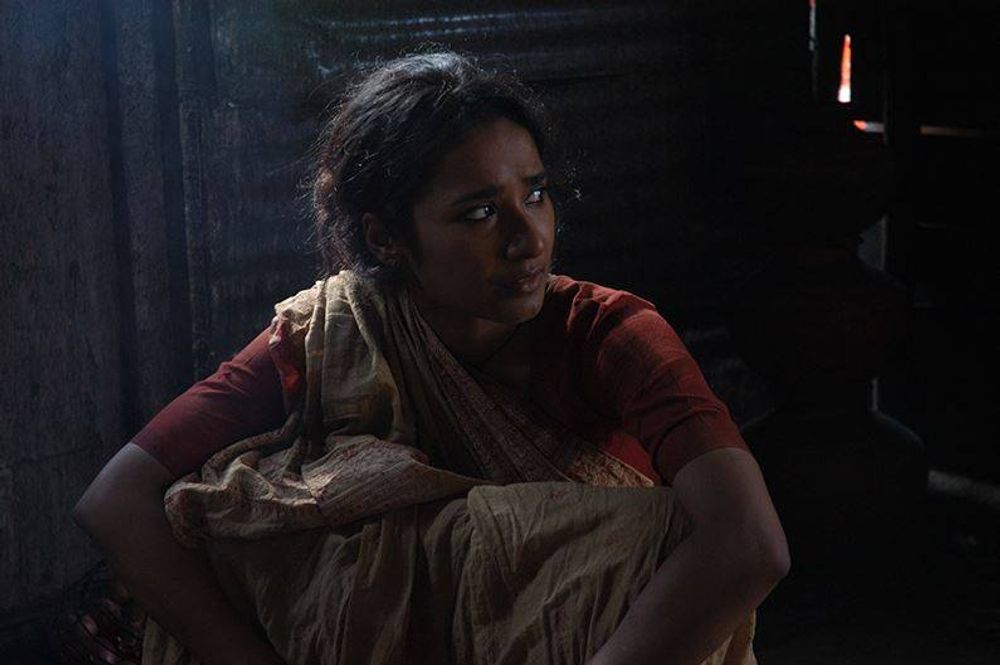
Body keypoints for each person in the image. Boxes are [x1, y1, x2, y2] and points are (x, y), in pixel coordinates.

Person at [73, 51, 789, 665]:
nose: (529, 240)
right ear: (386, 239)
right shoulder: (337, 333)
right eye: (481, 212)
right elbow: (117, 498)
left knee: (660, 538)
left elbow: (750, 542)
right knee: (239, 519)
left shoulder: (611, 335)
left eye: (536, 194)